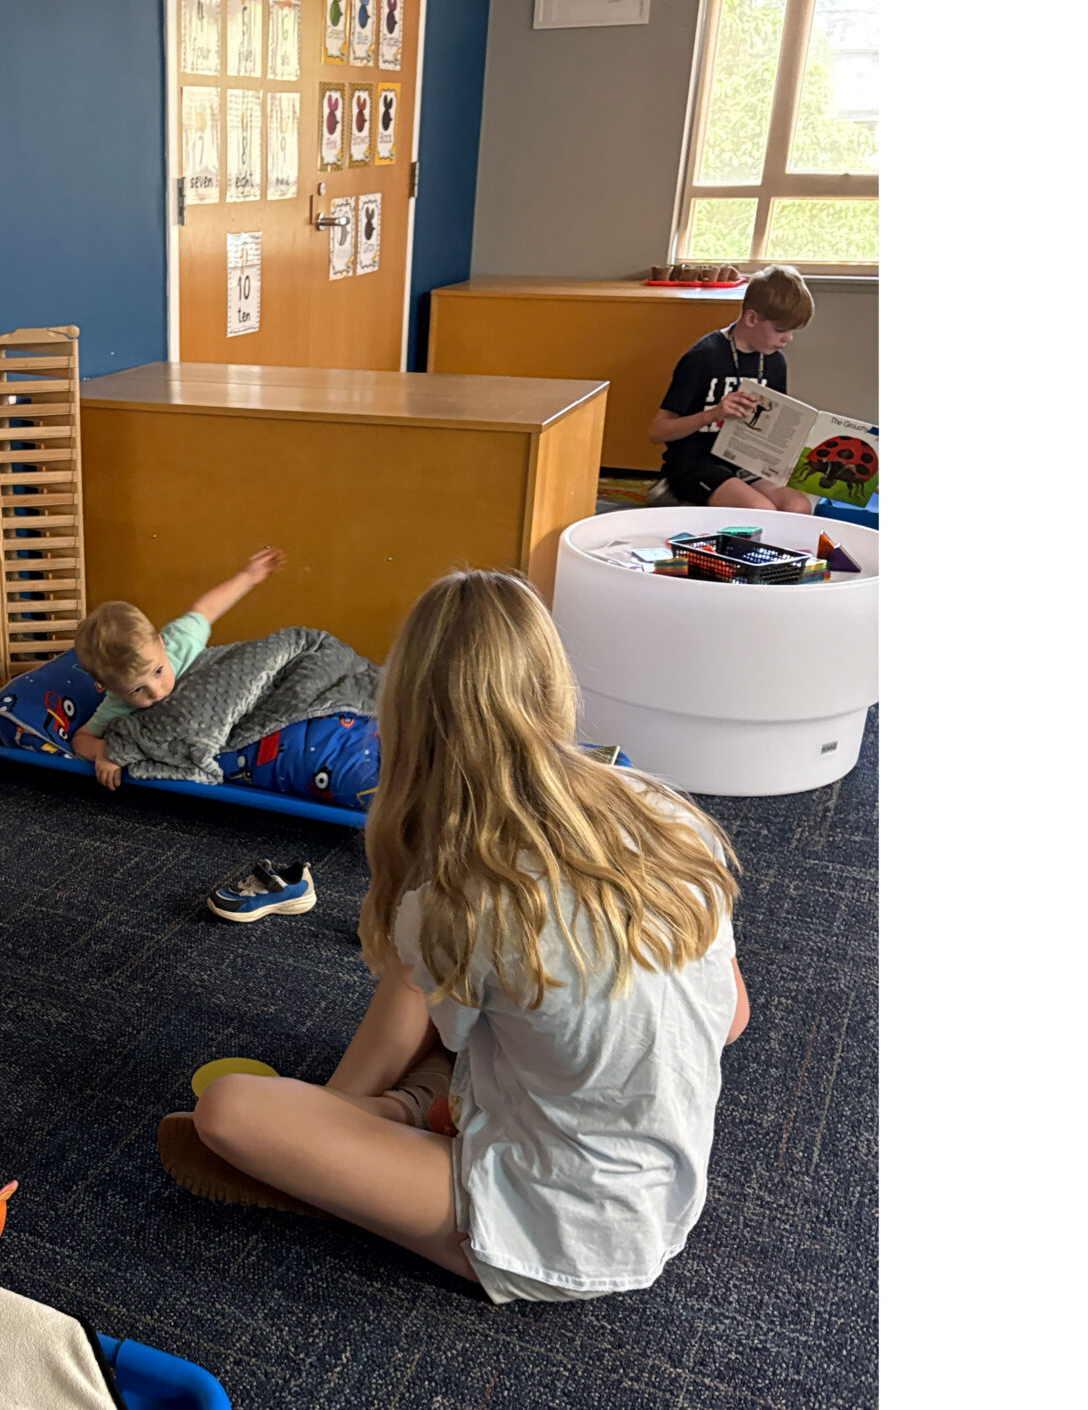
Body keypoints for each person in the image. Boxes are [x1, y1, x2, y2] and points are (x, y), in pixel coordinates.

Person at [156, 569, 751, 1303]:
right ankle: (393, 1117)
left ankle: (369, 1133)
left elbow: (425, 992)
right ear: (552, 684)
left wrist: (338, 1119)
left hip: (551, 1236)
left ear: (404, 712)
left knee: (231, 1111)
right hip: (670, 1195)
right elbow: (731, 1018)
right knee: (470, 995)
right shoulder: (665, 809)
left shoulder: (459, 892)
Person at [70, 545, 287, 789]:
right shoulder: (117, 704)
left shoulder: (180, 642)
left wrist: (248, 576)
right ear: (110, 688)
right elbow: (81, 738)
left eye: (158, 671)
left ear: (161, 643)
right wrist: (103, 751)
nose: (156, 691)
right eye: (136, 690)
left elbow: (206, 608)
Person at [650, 263, 818, 513]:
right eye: (780, 330)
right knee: (761, 510)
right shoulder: (703, 357)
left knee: (798, 506)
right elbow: (657, 432)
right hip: (695, 463)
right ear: (751, 318)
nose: (788, 338)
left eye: (792, 330)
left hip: (745, 462)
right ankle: (676, 496)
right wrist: (712, 415)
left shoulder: (774, 361)